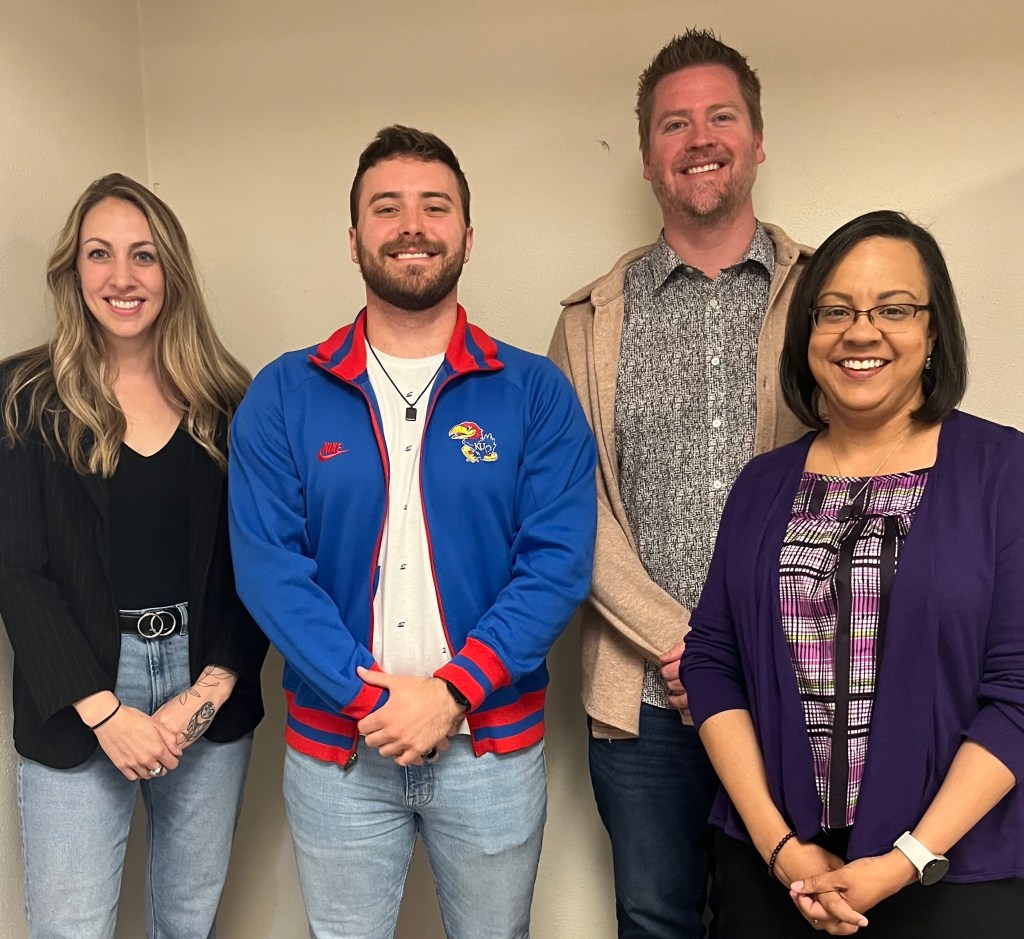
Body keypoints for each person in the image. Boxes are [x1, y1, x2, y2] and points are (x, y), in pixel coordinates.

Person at [228, 125, 596, 939]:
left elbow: (556, 564)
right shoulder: (283, 393)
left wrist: (452, 691)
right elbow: (270, 569)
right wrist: (373, 699)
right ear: (354, 236)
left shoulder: (534, 392)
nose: (412, 225)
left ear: (467, 233)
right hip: (339, 757)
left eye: (435, 205)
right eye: (386, 206)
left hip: (491, 751)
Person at [681, 210, 1024, 937]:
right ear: (807, 335)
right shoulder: (761, 485)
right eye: (835, 311)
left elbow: (1019, 691)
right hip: (776, 875)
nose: (860, 332)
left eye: (893, 309)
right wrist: (781, 849)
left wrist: (904, 859)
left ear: (934, 333)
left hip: (954, 872)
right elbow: (712, 663)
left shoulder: (1004, 472)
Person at [547, 28, 812, 937]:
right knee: (654, 918)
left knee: (785, 914)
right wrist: (689, 647)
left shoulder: (827, 296)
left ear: (758, 139)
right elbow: (568, 507)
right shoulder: (587, 322)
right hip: (645, 701)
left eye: (721, 117)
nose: (700, 138)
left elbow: (864, 478)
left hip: (796, 685)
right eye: (674, 124)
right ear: (648, 158)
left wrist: (745, 655)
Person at [0, 173, 268, 939]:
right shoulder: (23, 396)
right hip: (79, 689)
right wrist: (106, 713)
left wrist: (206, 692)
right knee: (71, 926)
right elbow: (16, 570)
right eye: (100, 254)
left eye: (143, 255)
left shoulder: (230, 400)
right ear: (73, 270)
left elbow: (259, 565)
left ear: (170, 270)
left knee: (187, 920)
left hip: (205, 683)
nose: (122, 277)